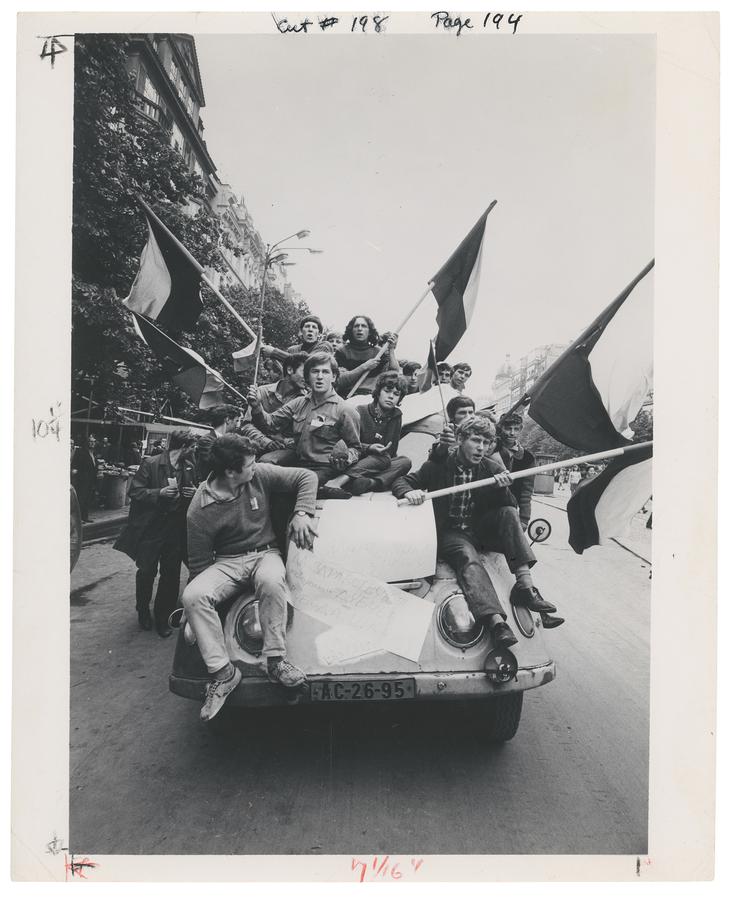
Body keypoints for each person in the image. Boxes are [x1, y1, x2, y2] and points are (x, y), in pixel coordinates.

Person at [393, 415, 563, 649]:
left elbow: (509, 504)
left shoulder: (491, 467)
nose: (481, 448)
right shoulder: (438, 465)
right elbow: (403, 481)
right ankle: (496, 622)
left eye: (486, 442)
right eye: (475, 441)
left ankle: (525, 585)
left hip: (479, 529)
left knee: (508, 513)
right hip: (452, 533)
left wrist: (503, 488)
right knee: (468, 558)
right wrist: (408, 493)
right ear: (461, 440)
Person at [182, 434, 318, 721]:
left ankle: (276, 662)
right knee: (193, 596)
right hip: (226, 562)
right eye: (249, 464)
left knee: (271, 581)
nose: (255, 467)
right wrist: (194, 616)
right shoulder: (199, 509)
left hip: (265, 554)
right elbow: (199, 563)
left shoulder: (259, 475)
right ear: (230, 472)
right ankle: (223, 674)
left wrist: (302, 512)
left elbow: (306, 477)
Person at [114, 429, 198, 637]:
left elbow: (194, 493)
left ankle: (163, 618)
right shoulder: (151, 464)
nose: (195, 450)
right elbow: (135, 491)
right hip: (151, 528)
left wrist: (194, 493)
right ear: (184, 447)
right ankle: (142, 611)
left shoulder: (189, 467)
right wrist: (158, 493)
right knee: (146, 572)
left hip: (175, 529)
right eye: (192, 447)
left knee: (171, 575)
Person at [247, 351, 362, 499]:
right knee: (268, 484)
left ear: (333, 377)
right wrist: (257, 407)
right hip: (298, 463)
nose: (320, 376)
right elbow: (271, 424)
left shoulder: (345, 410)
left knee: (292, 491)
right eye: (315, 372)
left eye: (325, 372)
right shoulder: (299, 403)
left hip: (325, 468)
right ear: (308, 377)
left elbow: (356, 448)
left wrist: (346, 459)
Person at [325, 371, 412, 495]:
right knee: (383, 458)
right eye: (387, 391)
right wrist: (370, 448)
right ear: (378, 392)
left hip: (377, 464)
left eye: (396, 394)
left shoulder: (396, 416)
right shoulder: (360, 411)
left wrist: (384, 454)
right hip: (355, 460)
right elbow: (348, 444)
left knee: (405, 462)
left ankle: (369, 483)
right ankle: (341, 480)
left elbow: (391, 450)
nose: (391, 396)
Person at [335, 315, 399, 397]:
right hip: (347, 397)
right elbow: (339, 381)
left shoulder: (378, 352)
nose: (360, 329)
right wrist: (364, 367)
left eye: (364, 326)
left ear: (370, 331)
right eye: (356, 326)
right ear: (351, 330)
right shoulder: (342, 351)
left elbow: (394, 373)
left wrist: (391, 350)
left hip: (371, 397)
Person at [493, 412, 536, 531]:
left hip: (511, 511)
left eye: (516, 429)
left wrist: (524, 519)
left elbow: (526, 492)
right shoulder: (490, 450)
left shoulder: (528, 458)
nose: (512, 433)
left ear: (521, 429)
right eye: (508, 428)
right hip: (487, 508)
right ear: (500, 428)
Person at [261, 314, 333, 362]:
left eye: (314, 327)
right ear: (301, 332)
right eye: (307, 326)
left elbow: (309, 362)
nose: (310, 329)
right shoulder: (292, 350)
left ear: (319, 334)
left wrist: (275, 353)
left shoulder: (325, 346)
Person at [71, 435, 99, 523]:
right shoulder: (81, 451)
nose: (92, 443)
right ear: (87, 442)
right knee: (81, 499)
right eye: (90, 441)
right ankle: (78, 519)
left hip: (90, 480)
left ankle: (85, 517)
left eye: (94, 442)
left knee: (87, 499)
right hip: (82, 480)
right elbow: (75, 464)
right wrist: (76, 472)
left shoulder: (93, 453)